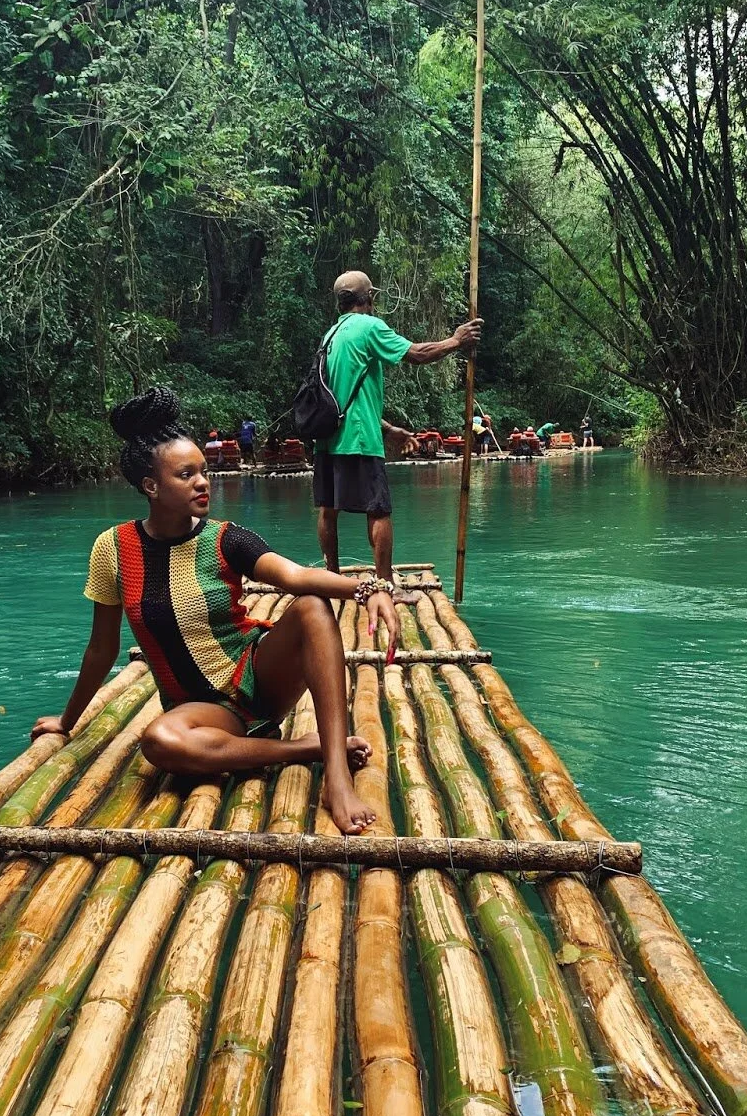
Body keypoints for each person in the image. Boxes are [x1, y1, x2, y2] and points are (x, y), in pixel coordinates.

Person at [31, 388, 399, 835]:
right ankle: (305, 748)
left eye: (203, 472)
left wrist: (369, 587)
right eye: (186, 475)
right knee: (159, 741)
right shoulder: (112, 549)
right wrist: (67, 721)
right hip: (202, 709)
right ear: (151, 486)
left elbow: (297, 576)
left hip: (260, 676)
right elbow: (101, 648)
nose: (203, 482)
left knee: (312, 607)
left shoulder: (227, 538)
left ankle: (337, 777)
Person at [314, 271, 482, 580]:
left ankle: (331, 577)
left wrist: (389, 430)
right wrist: (457, 341)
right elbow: (417, 354)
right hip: (360, 439)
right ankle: (386, 583)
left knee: (328, 507)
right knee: (378, 509)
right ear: (370, 298)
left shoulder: (330, 336)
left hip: (327, 438)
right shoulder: (369, 327)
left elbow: (342, 399)